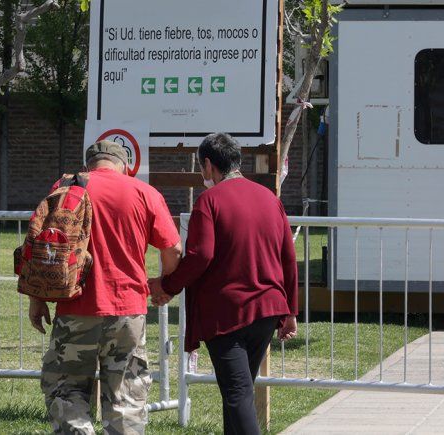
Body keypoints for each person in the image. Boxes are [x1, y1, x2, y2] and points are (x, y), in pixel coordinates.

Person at [149, 132, 298, 435]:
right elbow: (288, 258)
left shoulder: (209, 201)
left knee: (236, 394)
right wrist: (290, 311)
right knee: (238, 393)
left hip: (227, 315)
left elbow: (201, 255)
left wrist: (168, 285)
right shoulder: (270, 198)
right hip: (267, 312)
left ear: (207, 164)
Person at [29, 140, 182, 434]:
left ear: (88, 166)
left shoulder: (66, 188)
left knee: (66, 389)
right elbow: (173, 249)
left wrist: (38, 299)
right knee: (127, 395)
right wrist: (164, 286)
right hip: (128, 310)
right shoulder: (144, 193)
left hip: (75, 307)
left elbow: (45, 247)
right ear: (124, 166)